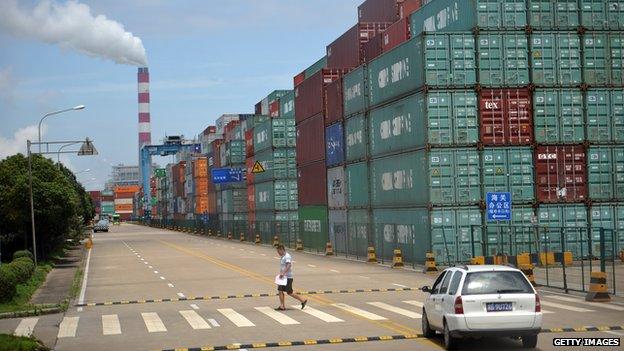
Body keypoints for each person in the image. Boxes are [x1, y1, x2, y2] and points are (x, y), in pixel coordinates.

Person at [275, 244, 307, 311]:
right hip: (284, 278)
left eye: (278, 252)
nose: (278, 253)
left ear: (282, 249)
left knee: (289, 292)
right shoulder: (283, 256)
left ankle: (303, 300)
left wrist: (283, 273)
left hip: (287, 277)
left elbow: (289, 265)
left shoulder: (287, 256)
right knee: (280, 290)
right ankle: (282, 306)